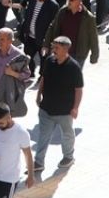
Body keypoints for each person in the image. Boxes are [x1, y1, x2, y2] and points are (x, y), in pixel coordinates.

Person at [33, 37, 83, 171]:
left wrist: (75, 108)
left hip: (64, 111)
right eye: (53, 47)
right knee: (43, 135)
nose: (53, 50)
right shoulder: (49, 61)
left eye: (57, 48)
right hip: (46, 108)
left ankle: (68, 157)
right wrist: (38, 95)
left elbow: (78, 89)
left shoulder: (74, 67)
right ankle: (38, 162)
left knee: (67, 134)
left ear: (66, 49)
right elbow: (43, 78)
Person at [43, 0, 100, 69]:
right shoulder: (62, 11)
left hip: (78, 54)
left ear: (80, 1)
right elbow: (52, 27)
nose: (69, 1)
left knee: (73, 78)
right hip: (61, 51)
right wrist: (46, 45)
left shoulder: (88, 17)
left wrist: (94, 56)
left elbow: (93, 37)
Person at [16, 0, 57, 76]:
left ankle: (42, 77)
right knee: (28, 56)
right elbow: (27, 17)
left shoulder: (53, 5)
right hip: (30, 37)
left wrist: (49, 41)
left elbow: (54, 25)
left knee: (44, 59)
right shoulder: (31, 0)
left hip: (43, 39)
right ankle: (31, 73)